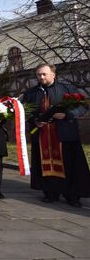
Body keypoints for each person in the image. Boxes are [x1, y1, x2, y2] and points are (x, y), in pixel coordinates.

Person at [22, 63, 90, 207]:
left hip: (64, 134)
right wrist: (35, 121)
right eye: (38, 75)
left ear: (53, 74)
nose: (41, 77)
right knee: (44, 164)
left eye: (44, 74)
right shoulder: (31, 93)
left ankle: (72, 195)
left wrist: (67, 114)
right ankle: (50, 192)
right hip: (42, 135)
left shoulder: (67, 89)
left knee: (69, 164)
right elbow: (25, 111)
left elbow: (83, 106)